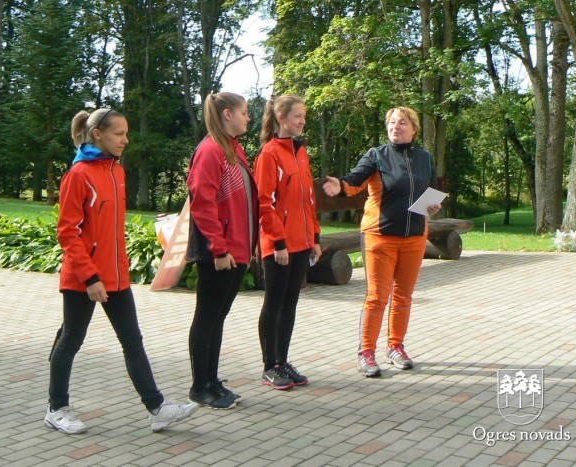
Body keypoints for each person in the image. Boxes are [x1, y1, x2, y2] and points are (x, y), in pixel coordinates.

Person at [45, 108, 198, 434]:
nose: (125, 140)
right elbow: (68, 233)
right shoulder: (78, 175)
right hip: (84, 278)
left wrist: (117, 271)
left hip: (116, 277)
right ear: (97, 134)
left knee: (133, 341)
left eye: (126, 133)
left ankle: (157, 409)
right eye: (119, 133)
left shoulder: (117, 172)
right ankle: (56, 409)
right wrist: (90, 277)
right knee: (71, 340)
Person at [323, 106, 441, 378]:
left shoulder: (424, 157)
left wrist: (432, 206)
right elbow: (355, 179)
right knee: (377, 297)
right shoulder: (376, 155)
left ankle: (395, 347)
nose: (395, 127)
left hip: (414, 237)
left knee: (403, 296)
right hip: (380, 236)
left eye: (402, 123)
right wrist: (341, 185)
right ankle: (366, 352)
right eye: (392, 122)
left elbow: (431, 190)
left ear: (414, 129)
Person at [186, 92, 259, 409]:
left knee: (218, 318)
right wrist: (218, 248)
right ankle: (200, 386)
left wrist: (248, 245)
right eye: (244, 112)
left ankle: (212, 381)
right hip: (217, 253)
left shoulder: (232, 149)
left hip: (236, 250)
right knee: (207, 319)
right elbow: (202, 205)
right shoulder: (210, 151)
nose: (248, 118)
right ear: (227, 114)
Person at [254, 94, 321, 390]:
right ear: (281, 118)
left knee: (290, 303)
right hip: (279, 246)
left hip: (302, 243)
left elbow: (309, 200)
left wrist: (315, 237)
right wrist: (278, 243)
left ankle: (282, 361)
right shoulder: (269, 154)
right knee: (274, 302)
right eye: (297, 116)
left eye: (304, 116)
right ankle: (270, 366)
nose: (302, 121)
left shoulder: (301, 152)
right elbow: (264, 203)